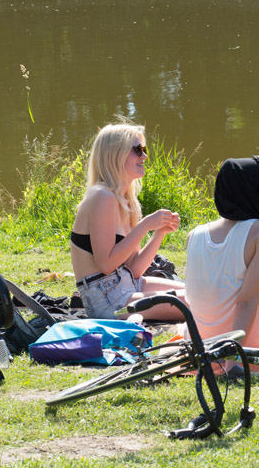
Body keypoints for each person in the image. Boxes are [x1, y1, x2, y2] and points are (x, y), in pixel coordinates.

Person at [70, 123, 185, 321]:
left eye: (144, 150)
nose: (144, 157)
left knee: (198, 293)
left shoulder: (125, 200)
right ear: (115, 154)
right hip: (107, 300)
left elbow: (134, 269)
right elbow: (106, 264)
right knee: (196, 303)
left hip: (127, 284)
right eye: (137, 150)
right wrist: (145, 225)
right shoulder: (102, 196)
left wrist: (159, 233)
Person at [185, 157, 259, 348]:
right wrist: (232, 361)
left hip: (198, 342)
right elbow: (246, 301)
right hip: (247, 343)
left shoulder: (194, 234)